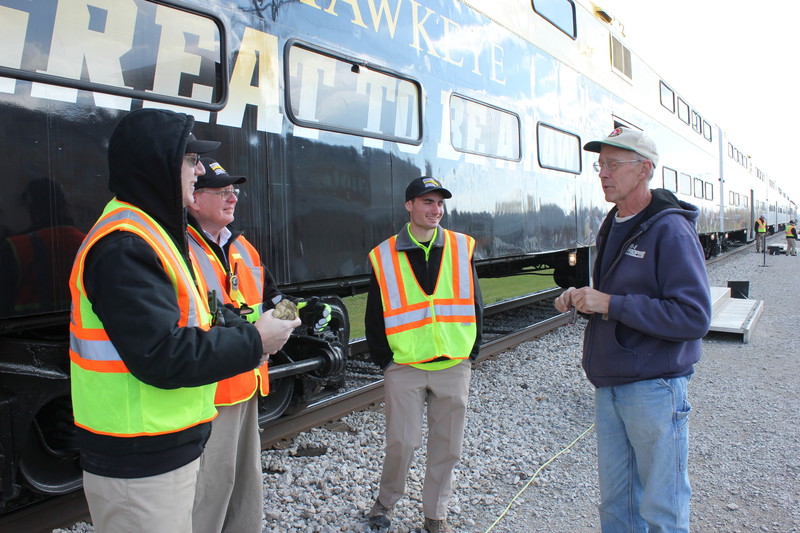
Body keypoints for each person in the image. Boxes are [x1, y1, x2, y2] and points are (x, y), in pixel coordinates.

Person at [68, 108, 300, 533]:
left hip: (163, 441)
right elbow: (161, 354)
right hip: (140, 453)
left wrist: (249, 327)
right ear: (158, 163)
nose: (197, 172)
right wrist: (256, 343)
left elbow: (200, 314)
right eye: (190, 160)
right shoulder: (126, 244)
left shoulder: (150, 233)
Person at [554, 127, 711, 533]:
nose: (603, 173)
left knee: (663, 509)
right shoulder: (614, 223)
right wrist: (583, 299)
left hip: (654, 387)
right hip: (611, 384)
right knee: (617, 508)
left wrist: (610, 303)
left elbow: (694, 316)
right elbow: (615, 299)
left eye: (613, 164)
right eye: (600, 164)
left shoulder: (670, 229)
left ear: (644, 169)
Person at [187, 157, 330, 533]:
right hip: (208, 392)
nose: (232, 198)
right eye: (221, 192)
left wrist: (299, 313)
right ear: (194, 199)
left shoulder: (243, 249)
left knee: (243, 486)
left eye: (233, 192)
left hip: (247, 384)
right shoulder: (180, 250)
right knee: (209, 492)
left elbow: (272, 299)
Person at [364, 176, 483, 533]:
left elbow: (476, 302)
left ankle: (436, 514)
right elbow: (375, 312)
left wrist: (470, 353)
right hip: (404, 366)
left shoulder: (463, 247)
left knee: (448, 447)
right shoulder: (383, 254)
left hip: (453, 364)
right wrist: (384, 360)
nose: (436, 210)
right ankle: (385, 503)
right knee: (402, 443)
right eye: (427, 202)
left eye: (440, 203)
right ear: (409, 206)